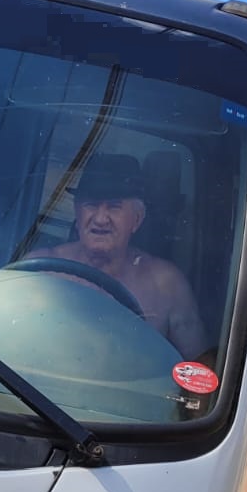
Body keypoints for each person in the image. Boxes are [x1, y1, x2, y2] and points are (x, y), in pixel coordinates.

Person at [25, 153, 209, 359]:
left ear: (137, 219)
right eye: (91, 204)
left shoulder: (166, 284)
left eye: (114, 206)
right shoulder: (40, 270)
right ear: (77, 213)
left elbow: (199, 365)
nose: (101, 219)